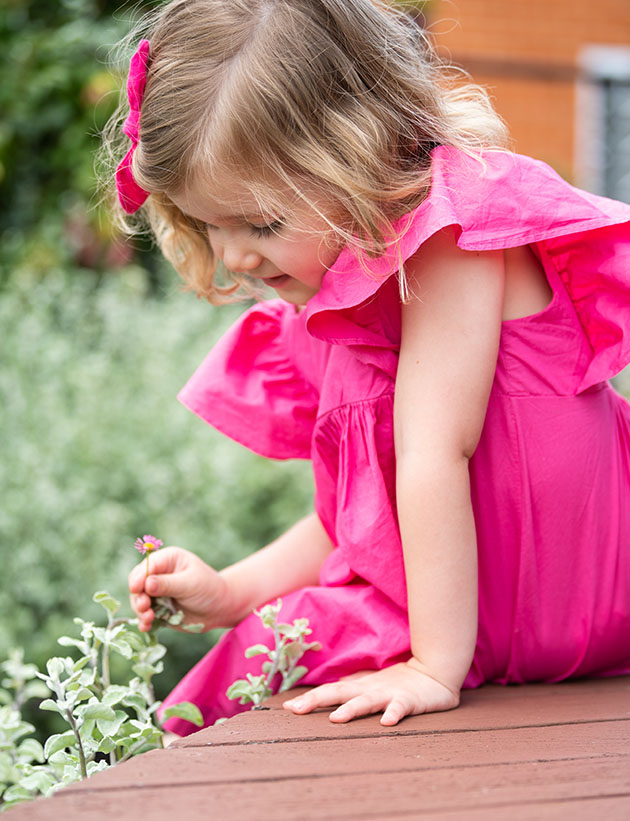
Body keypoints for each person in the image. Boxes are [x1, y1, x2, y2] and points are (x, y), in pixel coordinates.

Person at [113, 0, 630, 734]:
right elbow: (363, 522)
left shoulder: (454, 232)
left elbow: (432, 455)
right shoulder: (334, 305)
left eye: (260, 224)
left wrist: (431, 667)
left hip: (565, 599)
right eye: (208, 224)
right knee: (236, 673)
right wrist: (234, 591)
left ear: (356, 152)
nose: (232, 255)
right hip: (454, 617)